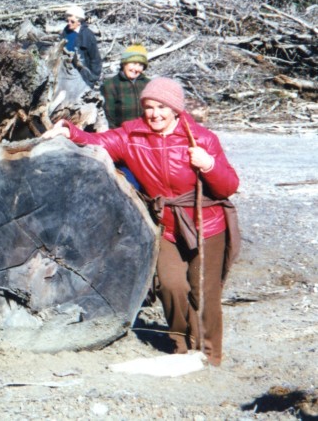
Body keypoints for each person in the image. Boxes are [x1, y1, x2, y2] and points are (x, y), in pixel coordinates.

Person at [42, 77, 240, 366]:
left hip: (205, 224)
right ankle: (181, 348)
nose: (155, 113)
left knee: (204, 293)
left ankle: (210, 355)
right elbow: (97, 142)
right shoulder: (131, 136)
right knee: (170, 286)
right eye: (148, 107)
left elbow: (228, 187)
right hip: (166, 225)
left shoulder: (202, 139)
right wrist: (68, 130)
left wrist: (208, 165)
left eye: (162, 107)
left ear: (176, 110)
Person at [101, 44, 151, 129]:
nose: (136, 68)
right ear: (124, 64)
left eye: (141, 65)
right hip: (123, 134)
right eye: (134, 63)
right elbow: (109, 117)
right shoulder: (110, 85)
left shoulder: (149, 84)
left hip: (146, 132)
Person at [61, 4, 101, 88]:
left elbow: (95, 58)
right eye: (67, 21)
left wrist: (94, 77)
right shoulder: (66, 30)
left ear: (79, 22)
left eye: (72, 21)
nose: (69, 23)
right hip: (66, 68)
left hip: (82, 72)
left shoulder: (88, 35)